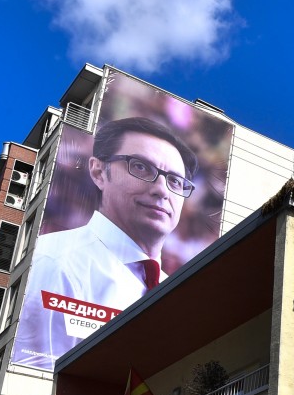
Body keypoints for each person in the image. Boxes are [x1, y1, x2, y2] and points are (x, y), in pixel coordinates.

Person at [14, 117, 198, 369]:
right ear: (98, 172)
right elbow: (36, 379)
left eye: (175, 181)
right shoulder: (55, 261)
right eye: (141, 167)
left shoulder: (175, 293)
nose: (162, 190)